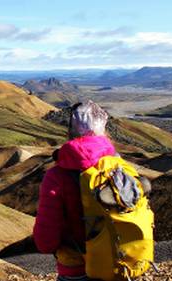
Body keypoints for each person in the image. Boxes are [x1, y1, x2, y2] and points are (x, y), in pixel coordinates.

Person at [33, 101, 114, 281]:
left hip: (76, 270)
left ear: (70, 130)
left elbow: (45, 241)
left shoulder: (57, 176)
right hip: (118, 262)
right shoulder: (119, 167)